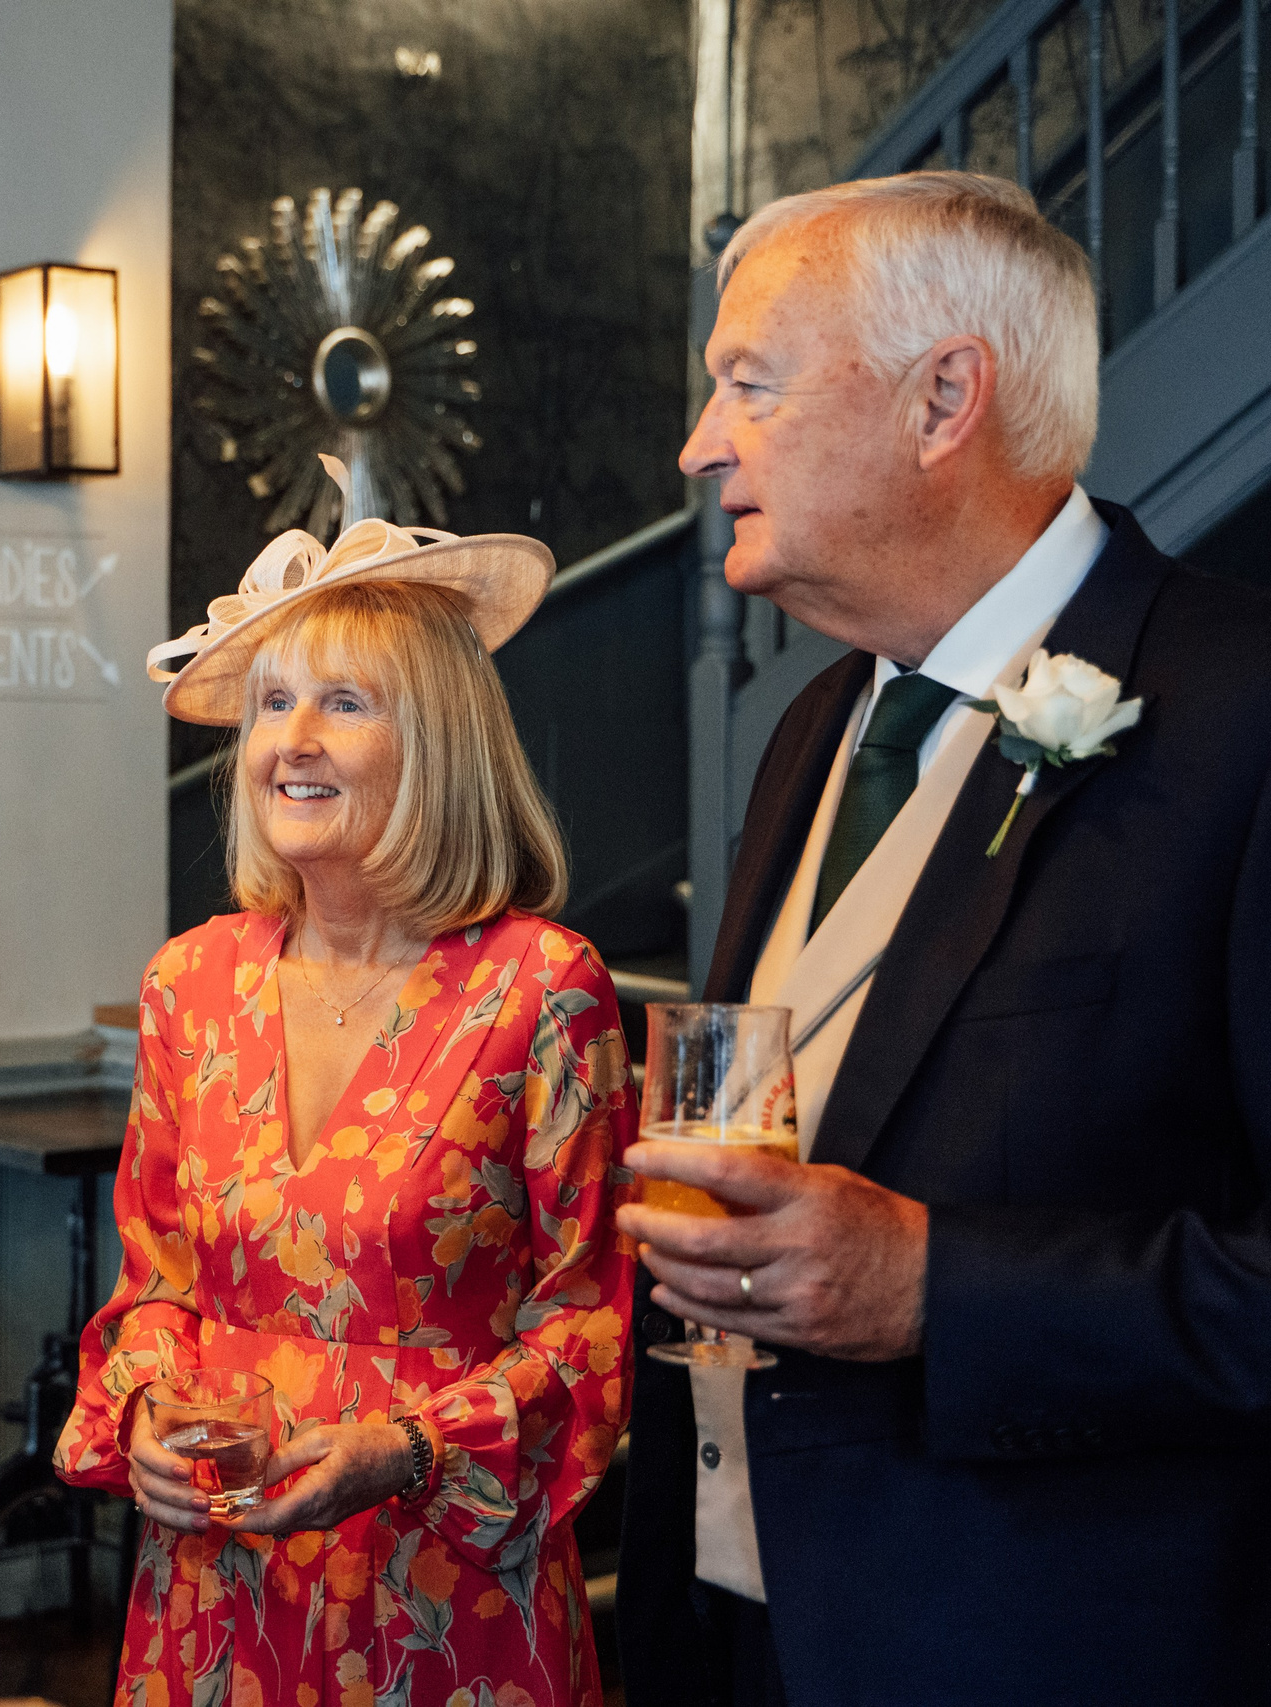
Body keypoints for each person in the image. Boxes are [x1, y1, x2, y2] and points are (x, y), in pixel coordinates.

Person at [614, 170, 1271, 1705]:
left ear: (944, 399)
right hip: (742, 1629)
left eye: (747, 386)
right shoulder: (819, 724)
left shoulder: (1246, 715)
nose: (702, 444)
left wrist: (938, 1286)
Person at [55, 484, 638, 1707]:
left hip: (447, 1586)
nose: (290, 739)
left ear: (435, 741)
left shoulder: (540, 986)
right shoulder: (191, 982)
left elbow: (587, 1327)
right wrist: (151, 1405)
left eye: (343, 703)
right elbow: (154, 1286)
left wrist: (410, 1450)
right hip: (218, 1583)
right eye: (273, 702)